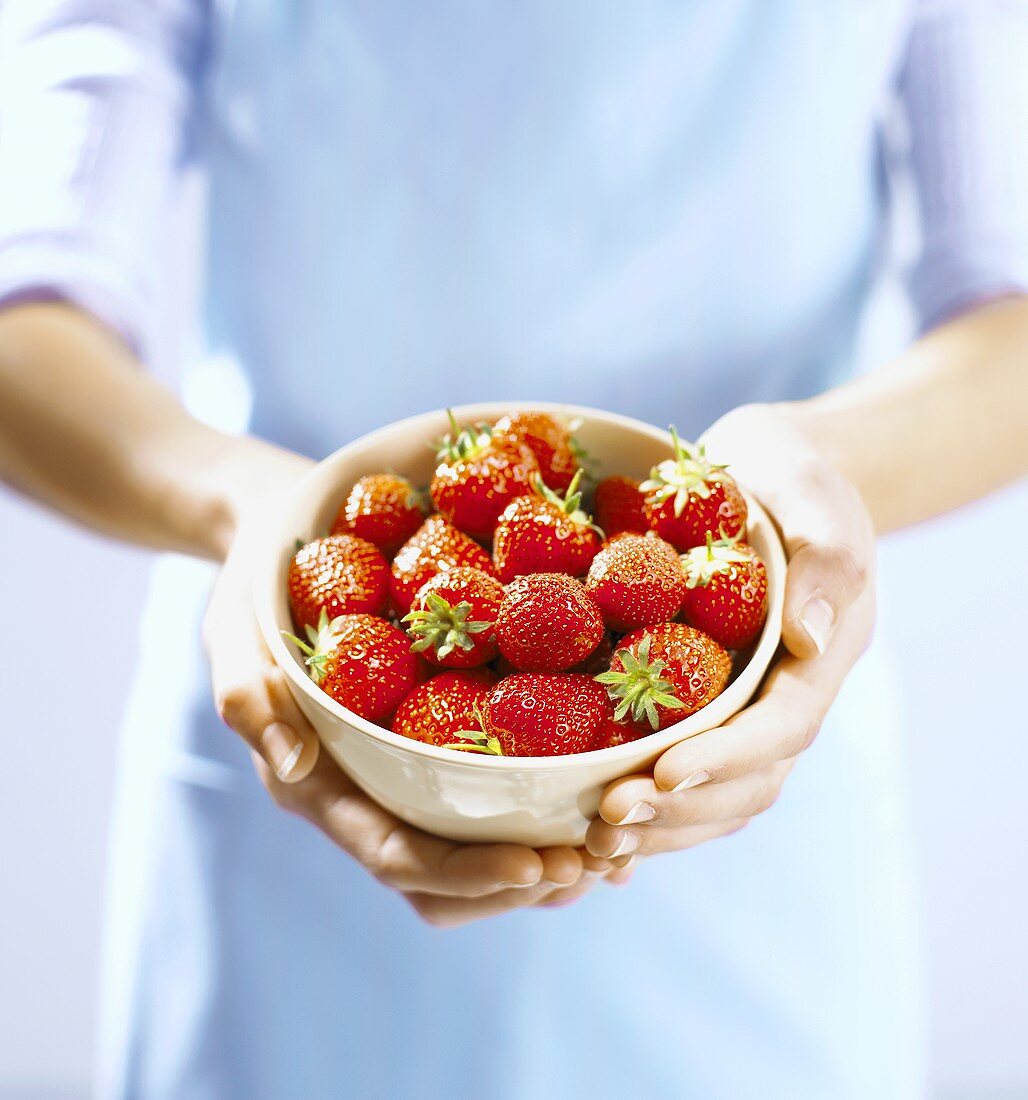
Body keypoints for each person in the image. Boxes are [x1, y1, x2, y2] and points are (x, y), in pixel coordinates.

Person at [1, 1, 1026, 1097]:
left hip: (744, 743)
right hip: (301, 707)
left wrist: (808, 470)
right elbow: (28, 304)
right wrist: (259, 510)